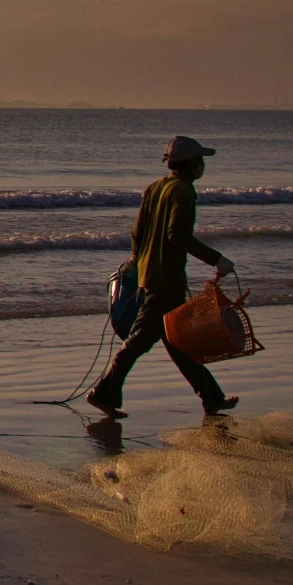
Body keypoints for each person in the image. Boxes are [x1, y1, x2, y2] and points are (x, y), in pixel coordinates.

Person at [85, 135, 238, 418]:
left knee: (179, 341)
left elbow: (137, 234)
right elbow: (177, 235)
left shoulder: (156, 188)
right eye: (200, 160)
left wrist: (138, 264)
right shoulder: (183, 191)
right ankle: (102, 392)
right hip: (166, 281)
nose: (202, 165)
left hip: (150, 277)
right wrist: (217, 260)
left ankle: (212, 397)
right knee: (139, 341)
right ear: (190, 163)